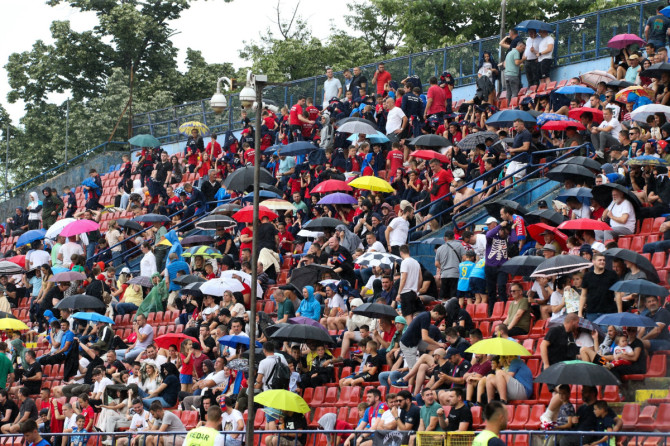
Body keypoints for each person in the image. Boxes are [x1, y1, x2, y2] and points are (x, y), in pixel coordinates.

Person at [579, 253, 620, 322]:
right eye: (600, 260)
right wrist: (580, 312)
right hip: (591, 313)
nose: (602, 262)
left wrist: (619, 312)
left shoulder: (612, 275)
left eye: (604, 260)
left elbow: (617, 294)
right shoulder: (587, 276)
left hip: (608, 313)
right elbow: (583, 295)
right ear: (593, 261)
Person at [435, 230, 466, 301]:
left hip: (444, 275)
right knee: (454, 297)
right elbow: (464, 258)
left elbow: (436, 264)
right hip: (455, 274)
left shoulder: (439, 249)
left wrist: (443, 268)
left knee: (444, 298)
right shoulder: (459, 245)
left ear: (444, 238)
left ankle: (444, 307)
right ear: (454, 237)